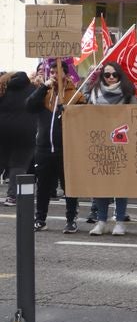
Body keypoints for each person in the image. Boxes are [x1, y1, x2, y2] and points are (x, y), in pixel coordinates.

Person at [85, 63, 137, 236]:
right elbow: (83, 112)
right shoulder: (94, 93)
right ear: (102, 76)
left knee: (120, 184)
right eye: (107, 75)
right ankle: (101, 221)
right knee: (102, 184)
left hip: (122, 143)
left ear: (120, 75)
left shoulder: (129, 93)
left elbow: (136, 117)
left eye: (115, 74)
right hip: (99, 143)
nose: (111, 78)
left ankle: (120, 221)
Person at [26, 62, 79, 233]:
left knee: (68, 186)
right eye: (52, 71)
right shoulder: (45, 92)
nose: (55, 74)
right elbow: (29, 106)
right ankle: (40, 219)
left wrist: (70, 111)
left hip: (65, 149)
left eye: (58, 71)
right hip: (43, 148)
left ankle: (71, 219)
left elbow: (83, 116)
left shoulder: (74, 93)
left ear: (65, 73)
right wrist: (43, 88)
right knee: (42, 186)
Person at [0, 71, 37, 210]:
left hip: (3, 131)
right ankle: (12, 196)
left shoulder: (2, 88)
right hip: (26, 132)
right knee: (19, 165)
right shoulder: (33, 89)